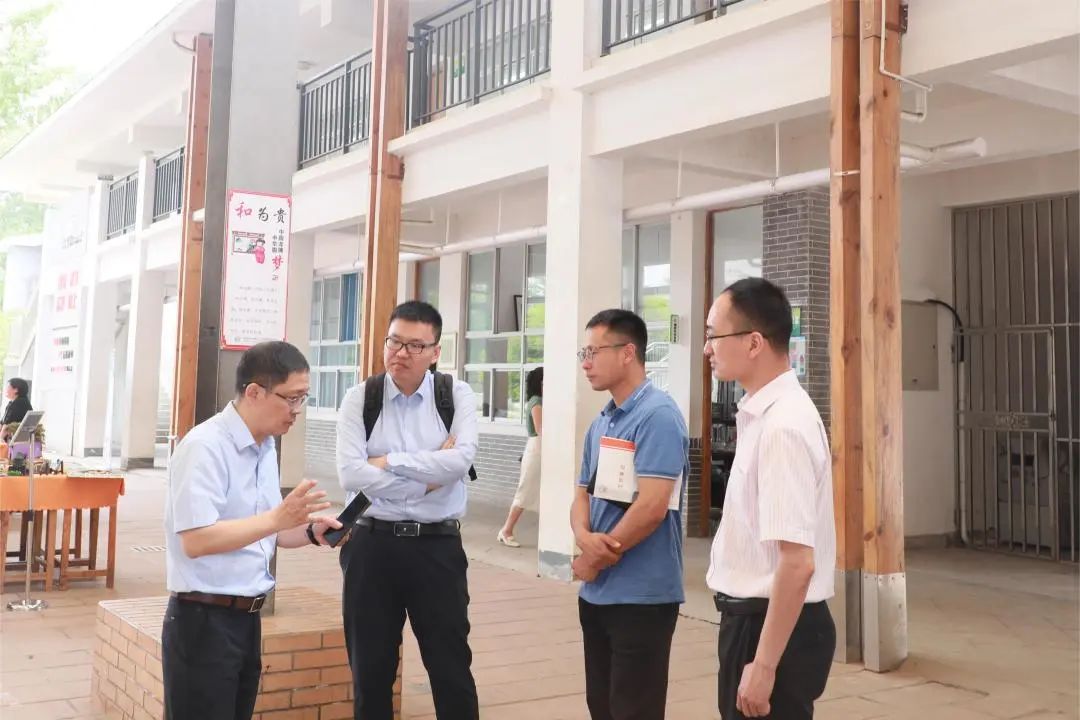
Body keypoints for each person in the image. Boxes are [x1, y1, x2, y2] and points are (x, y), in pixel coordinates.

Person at [162, 341, 342, 720]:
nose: (297, 410)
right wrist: (278, 518)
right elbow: (196, 540)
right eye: (291, 398)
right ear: (255, 392)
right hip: (202, 620)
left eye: (303, 398)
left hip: (246, 619)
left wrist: (310, 532)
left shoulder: (265, 447)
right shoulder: (205, 447)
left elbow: (266, 532)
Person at [337, 300, 479, 720]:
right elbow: (350, 474)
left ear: (435, 352)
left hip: (437, 548)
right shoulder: (360, 398)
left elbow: (461, 461)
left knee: (451, 667)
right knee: (370, 671)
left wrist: (387, 462)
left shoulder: (454, 395)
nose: (401, 353)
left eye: (415, 346)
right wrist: (428, 476)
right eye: (394, 342)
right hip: (371, 547)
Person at [704, 278, 836, 719]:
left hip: (771, 627)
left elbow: (798, 562)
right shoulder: (765, 415)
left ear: (754, 342)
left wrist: (763, 666)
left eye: (713, 335)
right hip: (759, 622)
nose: (707, 349)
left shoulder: (783, 427)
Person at [571, 309, 689, 720]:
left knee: (633, 710)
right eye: (583, 353)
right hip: (597, 594)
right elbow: (581, 495)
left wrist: (596, 558)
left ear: (627, 353)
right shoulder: (602, 421)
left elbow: (652, 507)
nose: (586, 363)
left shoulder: (658, 416)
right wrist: (583, 538)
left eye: (593, 352)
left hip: (642, 597)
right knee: (601, 706)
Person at [497, 365, 543, 547]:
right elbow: (540, 429)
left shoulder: (538, 400)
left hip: (538, 449)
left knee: (534, 492)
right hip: (537, 449)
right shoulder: (536, 401)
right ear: (540, 382)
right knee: (525, 492)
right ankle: (506, 530)